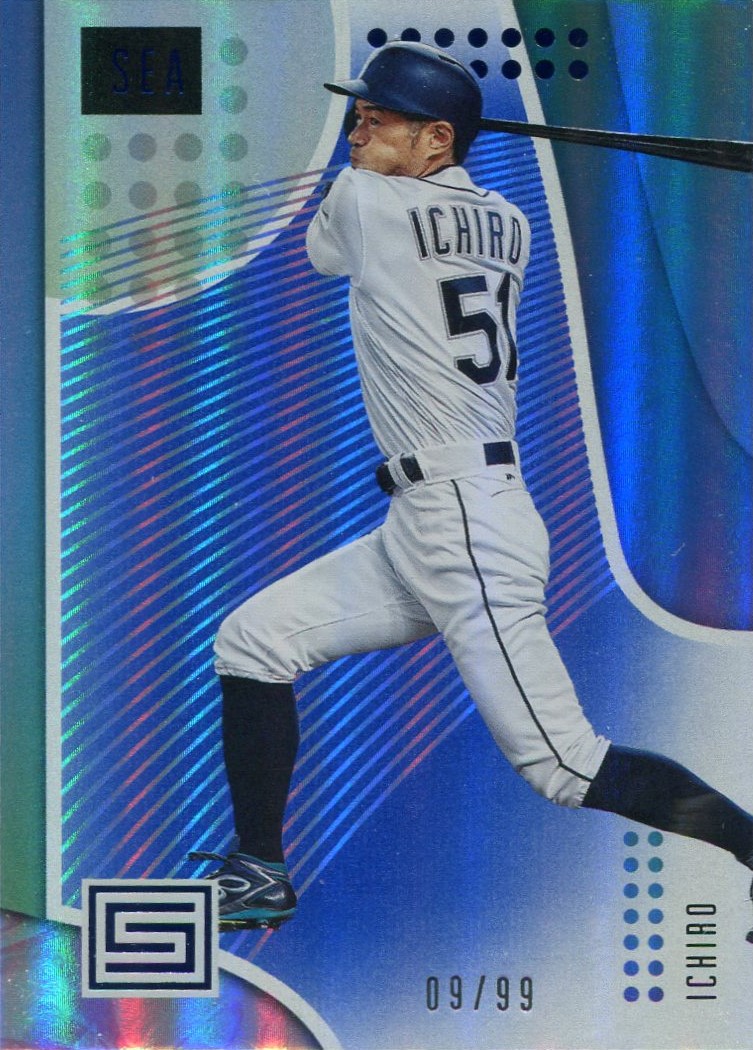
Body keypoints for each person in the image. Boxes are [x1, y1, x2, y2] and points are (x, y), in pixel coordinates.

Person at [190, 42, 753, 935]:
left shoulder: (366, 201)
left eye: (379, 118)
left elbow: (323, 254)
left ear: (437, 138)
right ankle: (259, 869)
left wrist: (380, 169)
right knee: (253, 640)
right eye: (359, 115)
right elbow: (422, 218)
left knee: (563, 766)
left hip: (464, 528)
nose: (355, 131)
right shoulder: (506, 219)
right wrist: (412, 146)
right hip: (433, 518)